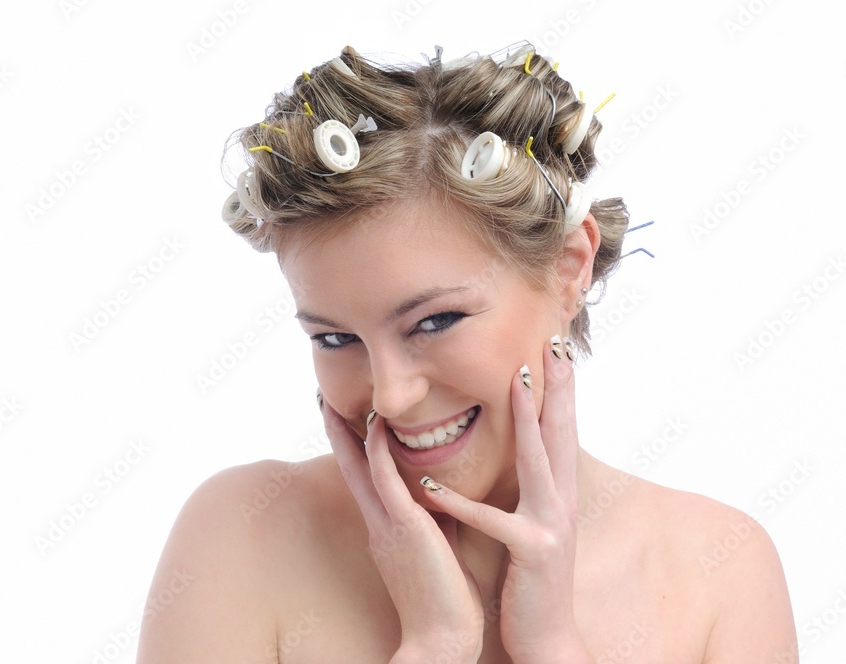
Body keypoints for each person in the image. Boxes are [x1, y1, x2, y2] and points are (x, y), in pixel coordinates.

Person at [136, 42, 798, 663]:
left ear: (568, 268)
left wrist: (552, 644)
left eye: (434, 321)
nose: (391, 395)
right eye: (335, 338)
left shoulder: (719, 573)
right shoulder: (243, 537)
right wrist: (435, 643)